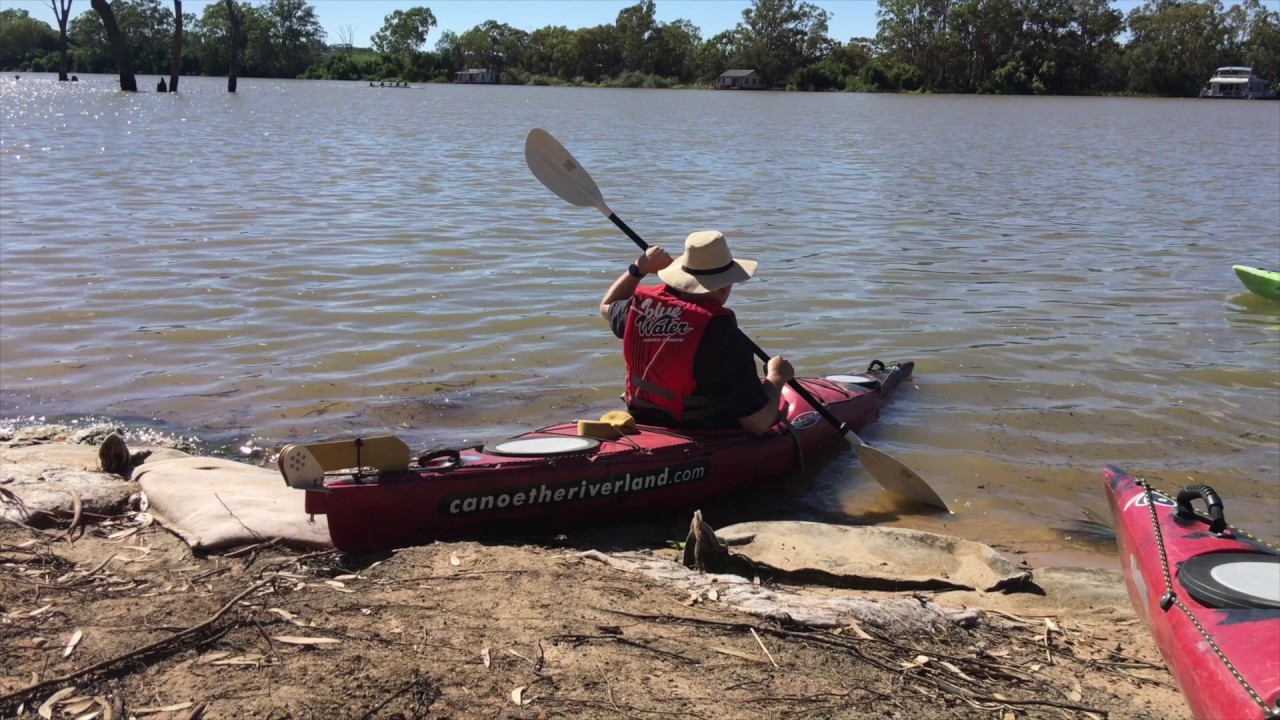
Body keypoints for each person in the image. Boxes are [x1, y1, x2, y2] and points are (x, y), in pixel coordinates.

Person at [599, 230, 794, 436]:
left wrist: (638, 268)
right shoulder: (726, 337)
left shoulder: (639, 309)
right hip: (697, 429)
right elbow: (757, 423)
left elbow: (606, 306)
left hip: (642, 417)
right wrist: (776, 378)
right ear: (724, 288)